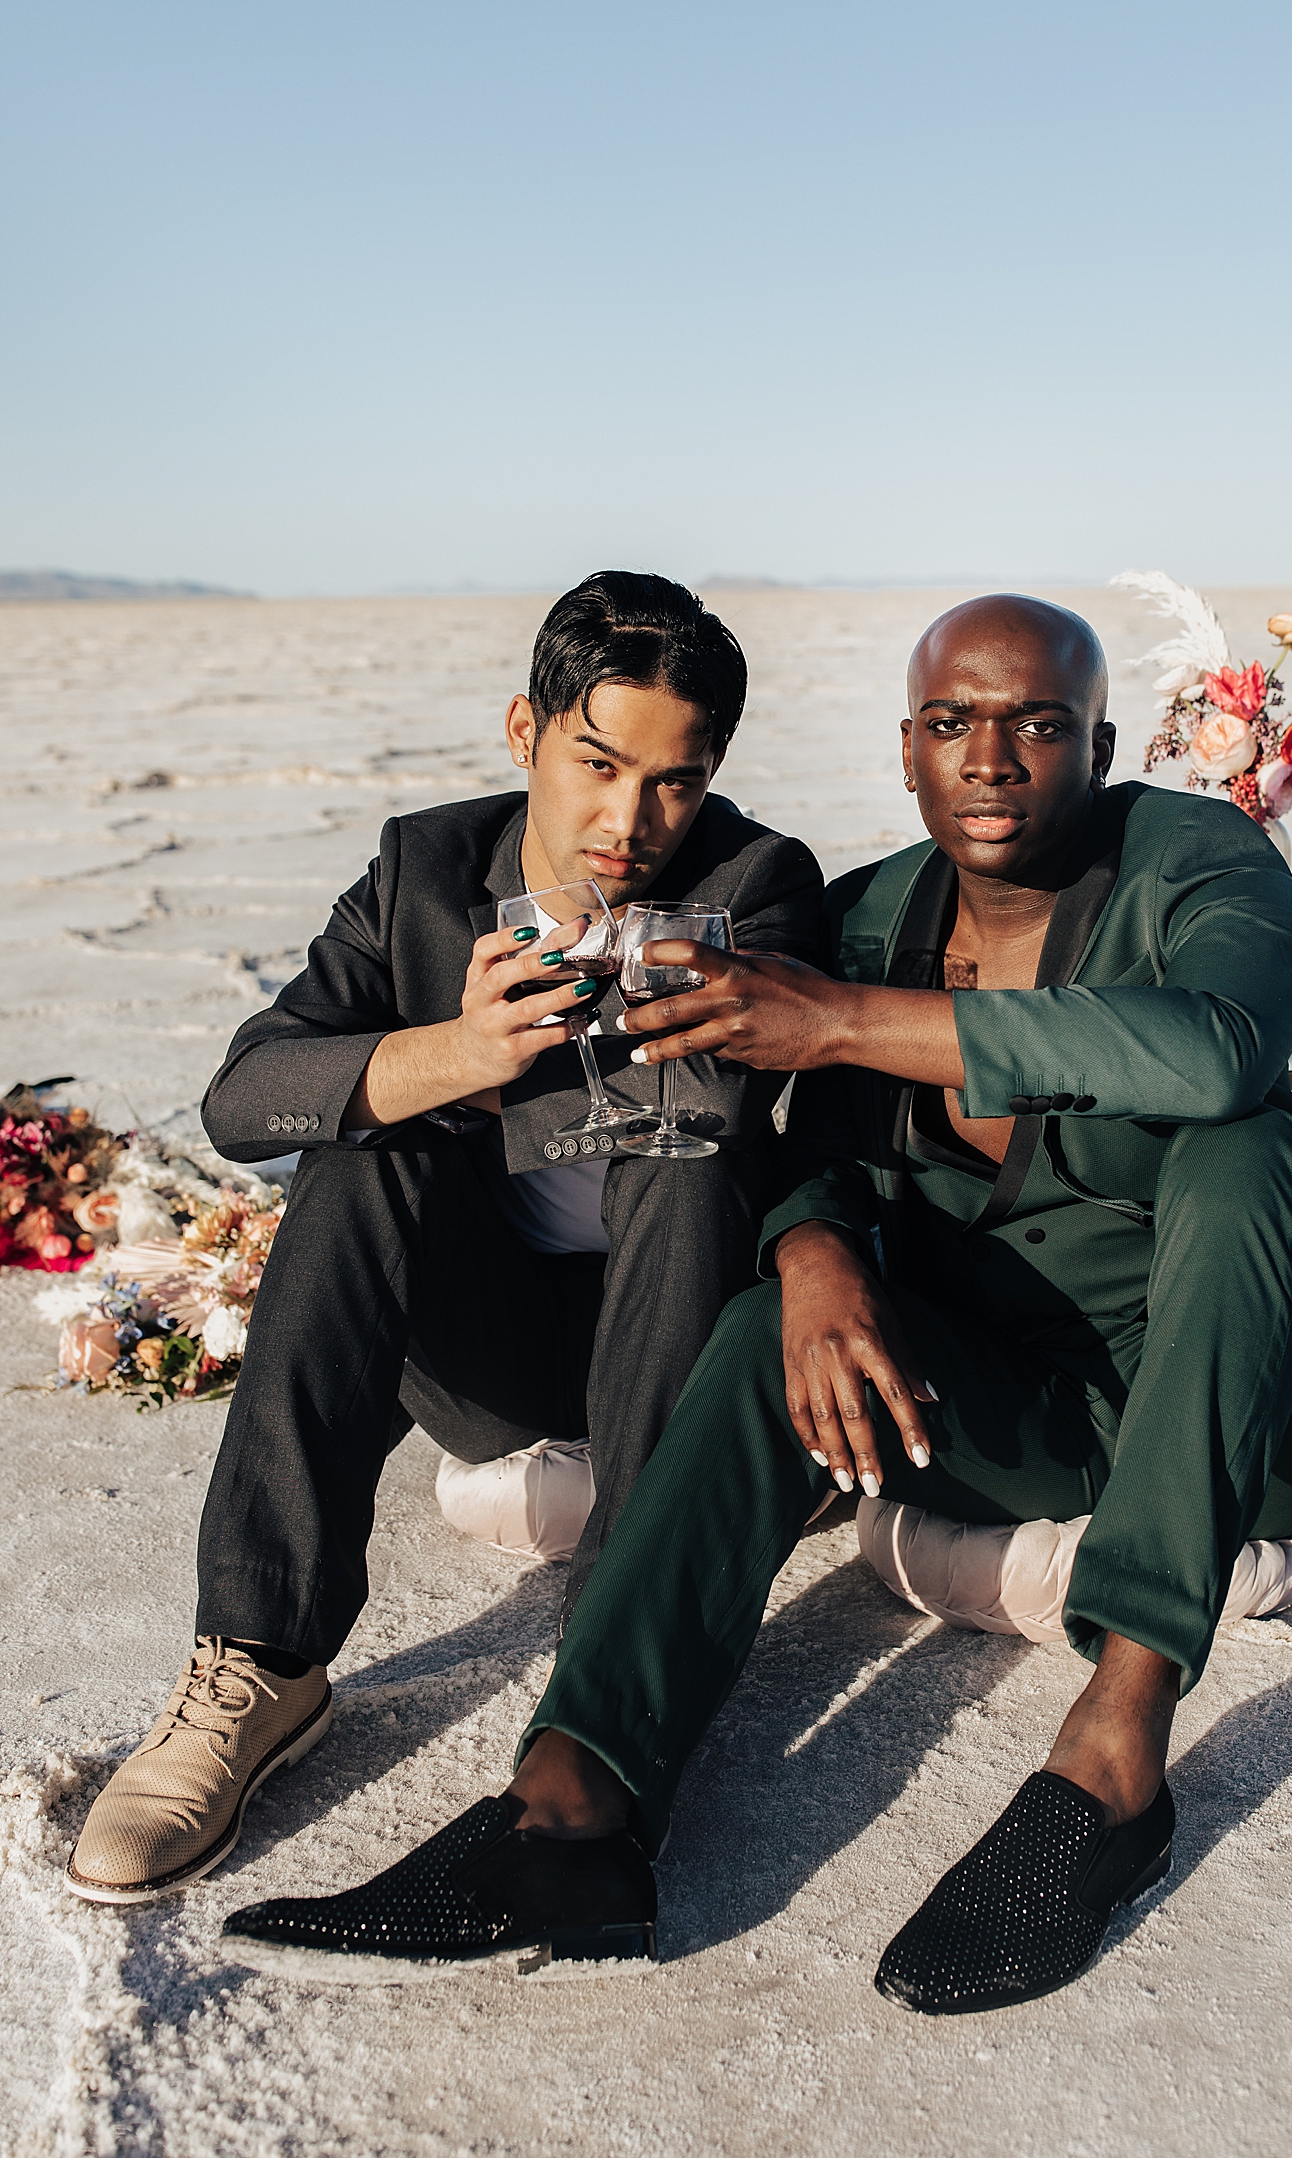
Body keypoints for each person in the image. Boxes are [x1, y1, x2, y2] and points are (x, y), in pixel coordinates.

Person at [213, 594, 1292, 2011]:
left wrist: (840, 1021)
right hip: (1027, 1409)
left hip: (1255, 1404)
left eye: (1037, 724)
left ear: (1100, 745)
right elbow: (798, 1150)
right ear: (905, 755)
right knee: (770, 1328)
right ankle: (572, 1802)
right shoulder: (867, 915)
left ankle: (1115, 1753)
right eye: (950, 725)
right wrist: (814, 1253)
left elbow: (1217, 1048)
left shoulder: (1197, 862)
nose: (990, 758)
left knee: (1250, 1151)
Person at [66, 570, 822, 1909]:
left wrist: (640, 996)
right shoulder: (424, 873)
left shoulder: (756, 879)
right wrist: (455, 1054)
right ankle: (259, 1656)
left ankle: (607, 1678)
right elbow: (245, 1098)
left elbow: (726, 1106)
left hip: (672, 1338)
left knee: (685, 1156)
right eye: (597, 762)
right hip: (488, 1359)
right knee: (365, 1153)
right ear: (523, 732)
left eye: (674, 782)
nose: (629, 819)